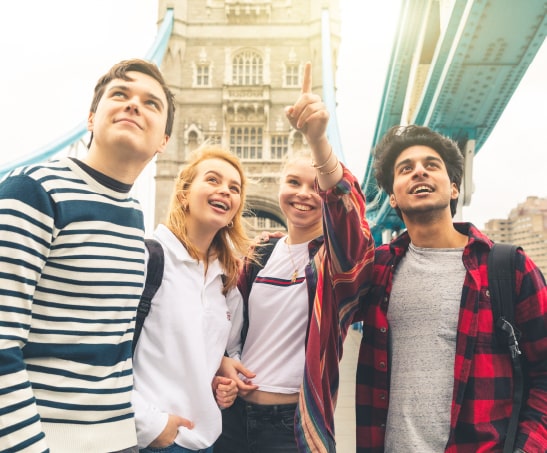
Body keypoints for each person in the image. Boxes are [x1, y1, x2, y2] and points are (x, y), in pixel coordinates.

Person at [0, 58, 175, 452]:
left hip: (119, 441)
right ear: (91, 119)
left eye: (151, 103)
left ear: (165, 141)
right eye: (120, 94)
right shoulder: (33, 191)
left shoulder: (132, 217)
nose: (133, 104)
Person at [355, 124, 547, 452]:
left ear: (454, 188)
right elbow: (320, 280)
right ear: (391, 196)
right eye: (405, 169)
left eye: (431, 165)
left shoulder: (507, 267)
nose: (419, 172)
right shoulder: (376, 268)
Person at [214, 62, 374, 452]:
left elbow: (346, 212)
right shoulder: (255, 255)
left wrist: (318, 141)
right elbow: (216, 322)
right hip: (231, 418)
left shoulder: (336, 262)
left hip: (291, 427)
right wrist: (221, 364)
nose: (305, 193)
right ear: (278, 187)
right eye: (293, 182)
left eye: (314, 184)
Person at [131, 145, 256, 453]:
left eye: (234, 188)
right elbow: (103, 353)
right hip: (149, 438)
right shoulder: (147, 259)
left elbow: (230, 348)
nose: (224, 191)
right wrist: (149, 424)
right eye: (212, 180)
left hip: (204, 440)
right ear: (185, 193)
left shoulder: (225, 280)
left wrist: (222, 375)